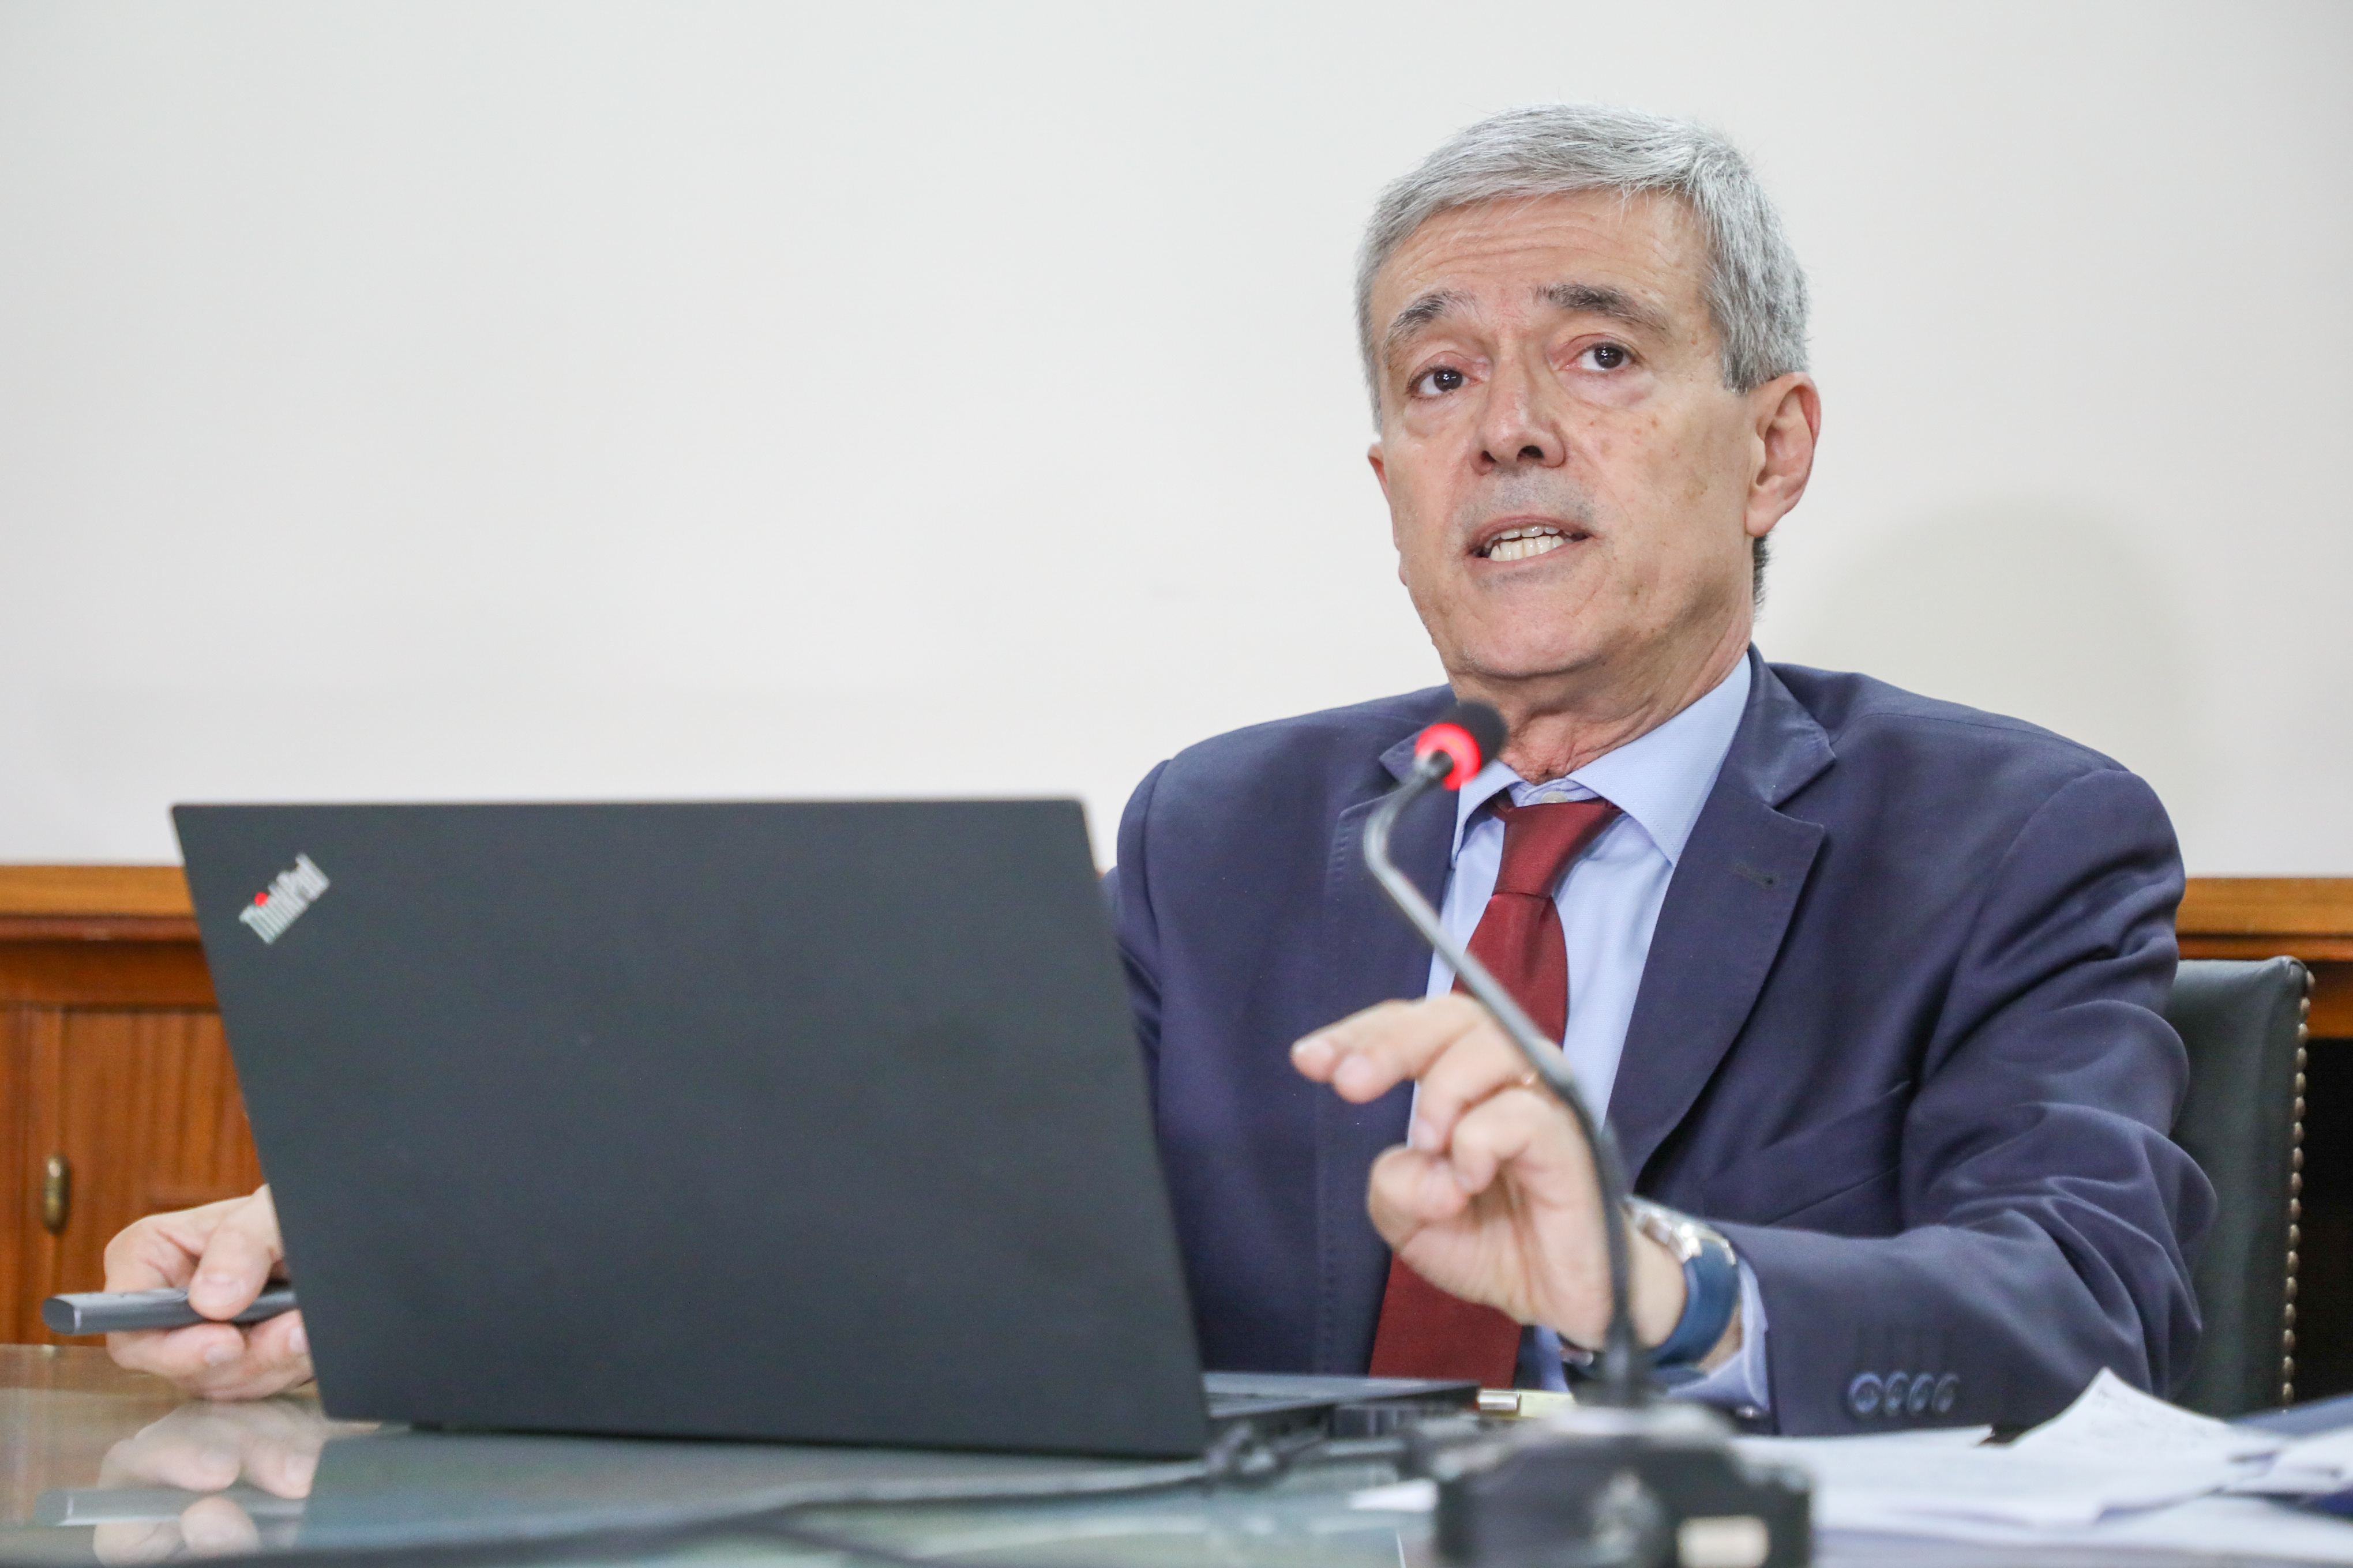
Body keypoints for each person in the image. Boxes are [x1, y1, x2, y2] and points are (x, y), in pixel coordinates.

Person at [102, 103, 2211, 1436]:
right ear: (1387, 483)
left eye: (1596, 353)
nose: (1504, 430)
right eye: (1437, 377)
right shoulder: (1235, 830)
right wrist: (396, 1255)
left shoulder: (2013, 840)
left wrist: (1663, 1283)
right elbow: (919, 1219)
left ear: (1772, 447)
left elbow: (2096, 1314)